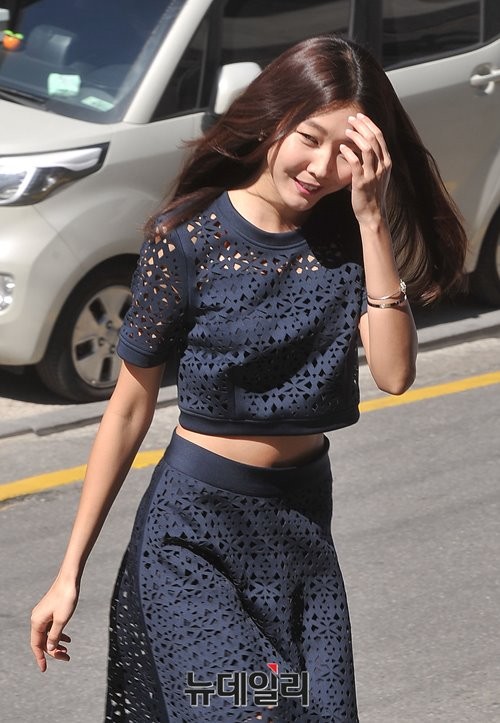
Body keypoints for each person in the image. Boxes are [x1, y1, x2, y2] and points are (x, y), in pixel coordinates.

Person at [30, 34, 467, 722]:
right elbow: (128, 408)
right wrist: (67, 574)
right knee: (246, 709)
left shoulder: (350, 242)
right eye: (309, 137)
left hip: (298, 536)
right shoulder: (187, 238)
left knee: (309, 708)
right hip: (190, 542)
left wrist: (372, 220)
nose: (321, 166)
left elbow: (394, 373)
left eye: (345, 151)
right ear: (274, 119)